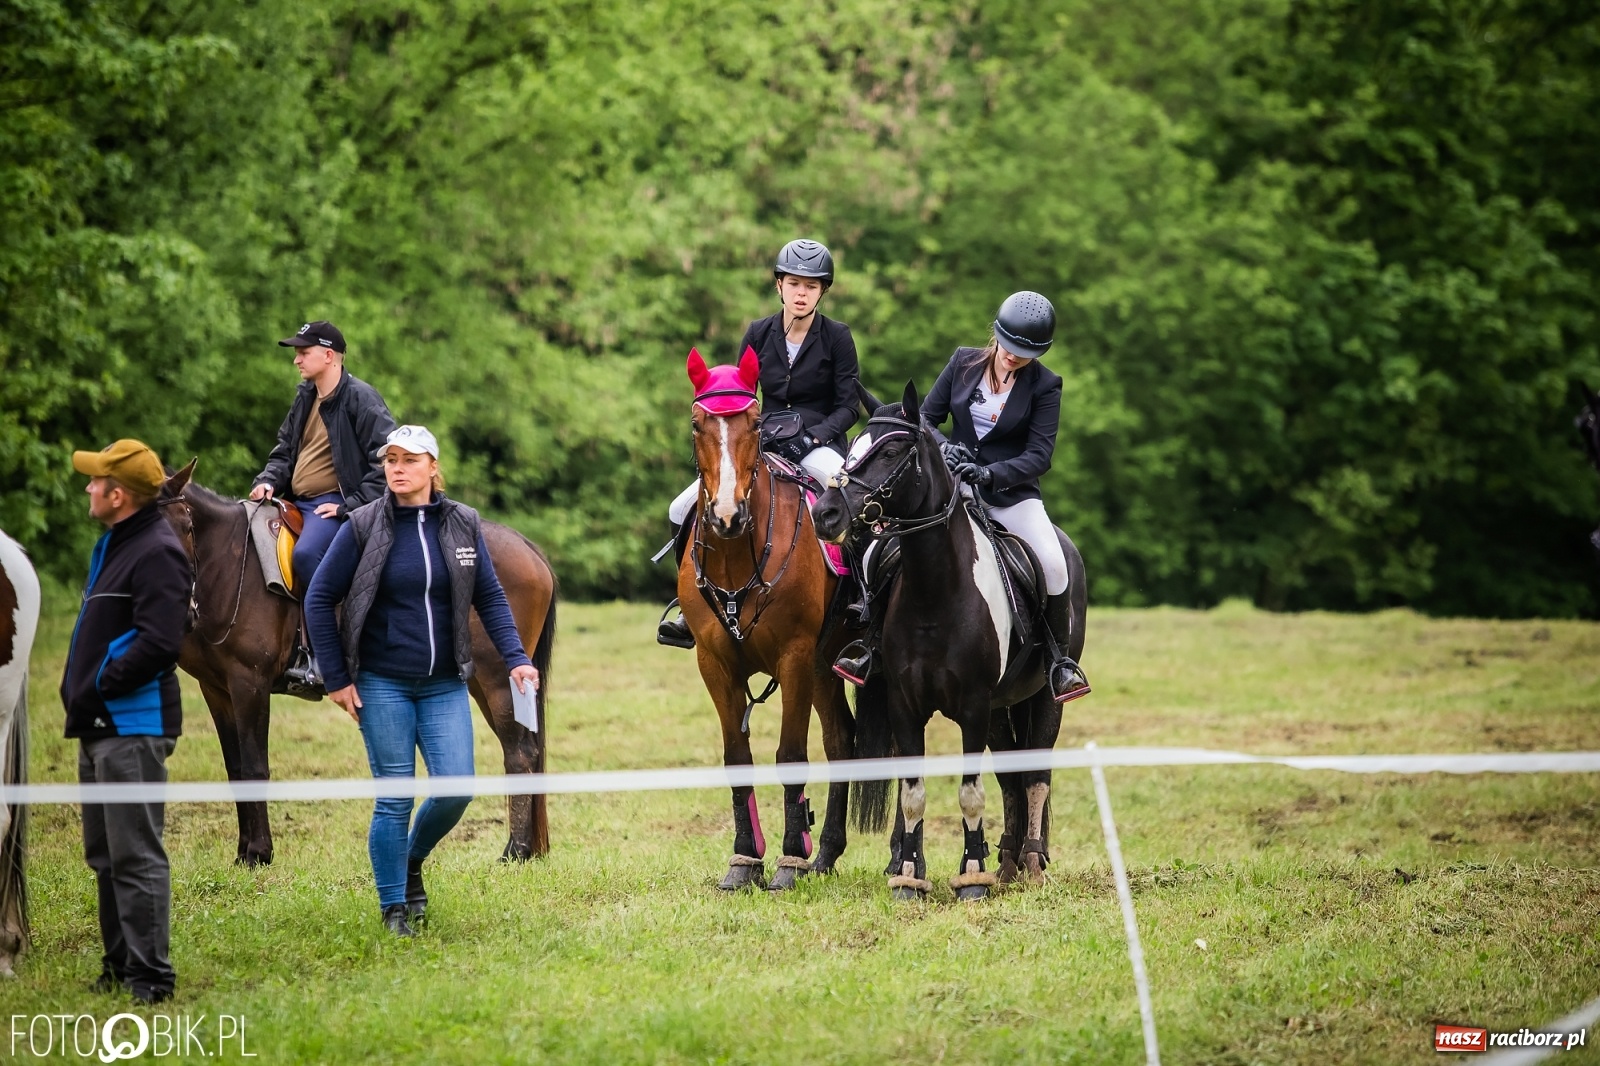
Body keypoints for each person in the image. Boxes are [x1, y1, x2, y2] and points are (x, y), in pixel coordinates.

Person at [305, 425, 539, 938]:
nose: (397, 468)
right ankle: (394, 907)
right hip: (382, 682)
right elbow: (318, 598)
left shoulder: (462, 524)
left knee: (457, 789)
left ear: (433, 467)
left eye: (409, 459)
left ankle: (408, 862)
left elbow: (492, 599)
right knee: (395, 797)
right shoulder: (362, 525)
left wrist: (517, 657)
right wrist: (336, 678)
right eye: (390, 459)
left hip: (444, 684)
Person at [836, 291, 1090, 702]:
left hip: (1012, 496)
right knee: (875, 553)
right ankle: (871, 646)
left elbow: (1039, 456)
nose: (1014, 357)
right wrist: (945, 448)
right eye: (1009, 347)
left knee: (1055, 564)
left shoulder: (1046, 385)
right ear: (997, 334)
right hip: (952, 488)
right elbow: (925, 419)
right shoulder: (962, 362)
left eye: (1025, 353)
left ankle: (1059, 662)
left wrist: (991, 472)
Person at [657, 238, 862, 647]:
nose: (801, 293)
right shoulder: (758, 332)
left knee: (847, 506)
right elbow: (739, 397)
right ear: (779, 286)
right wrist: (752, 436)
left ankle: (860, 602)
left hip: (819, 442)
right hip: (763, 439)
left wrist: (813, 436)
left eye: (811, 286)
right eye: (794, 284)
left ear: (822, 291)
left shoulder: (837, 337)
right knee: (681, 507)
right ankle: (689, 602)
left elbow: (849, 406)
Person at [61, 440, 189, 1003]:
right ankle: (118, 967)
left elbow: (161, 640)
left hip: (131, 724)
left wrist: (97, 685)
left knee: (136, 856)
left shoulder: (158, 550)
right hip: (97, 723)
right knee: (105, 854)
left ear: (119, 494)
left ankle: (151, 979)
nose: (88, 488)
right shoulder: (113, 543)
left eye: (95, 482)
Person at [250, 321, 396, 694]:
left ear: (328, 356)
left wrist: (351, 506)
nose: (297, 359)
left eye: (303, 352)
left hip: (333, 504)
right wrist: (267, 480)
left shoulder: (362, 398)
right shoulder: (305, 396)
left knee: (308, 554)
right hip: (295, 501)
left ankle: (328, 654)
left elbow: (388, 461)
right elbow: (284, 451)